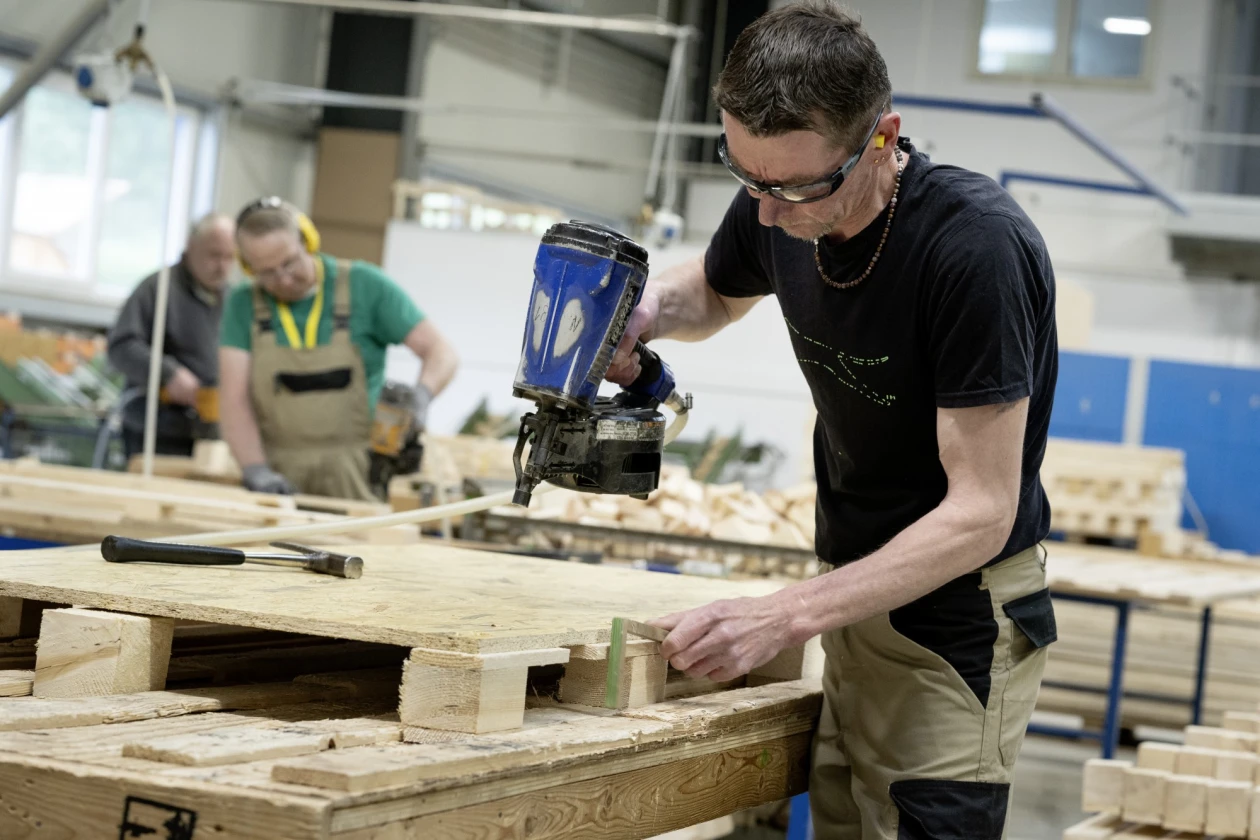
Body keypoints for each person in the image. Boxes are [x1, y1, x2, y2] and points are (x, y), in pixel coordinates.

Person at [607, 4, 1059, 837]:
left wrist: (783, 616)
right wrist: (645, 313)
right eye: (747, 178)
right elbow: (715, 290)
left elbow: (982, 512)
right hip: (849, 585)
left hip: (953, 611)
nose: (767, 213)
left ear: (883, 138)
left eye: (795, 188)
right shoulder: (780, 194)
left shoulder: (974, 250)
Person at [218, 197, 457, 501]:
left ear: (307, 241)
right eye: (267, 273)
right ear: (247, 267)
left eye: (289, 263)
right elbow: (234, 399)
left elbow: (441, 352)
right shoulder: (243, 304)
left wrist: (421, 395)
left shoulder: (365, 286)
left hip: (358, 472)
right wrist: (255, 468)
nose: (284, 280)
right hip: (278, 475)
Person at [107, 214, 236, 458]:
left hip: (208, 435)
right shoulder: (158, 289)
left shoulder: (232, 300)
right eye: (214, 255)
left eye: (230, 257)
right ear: (191, 246)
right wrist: (168, 373)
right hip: (156, 433)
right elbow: (121, 346)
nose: (222, 266)